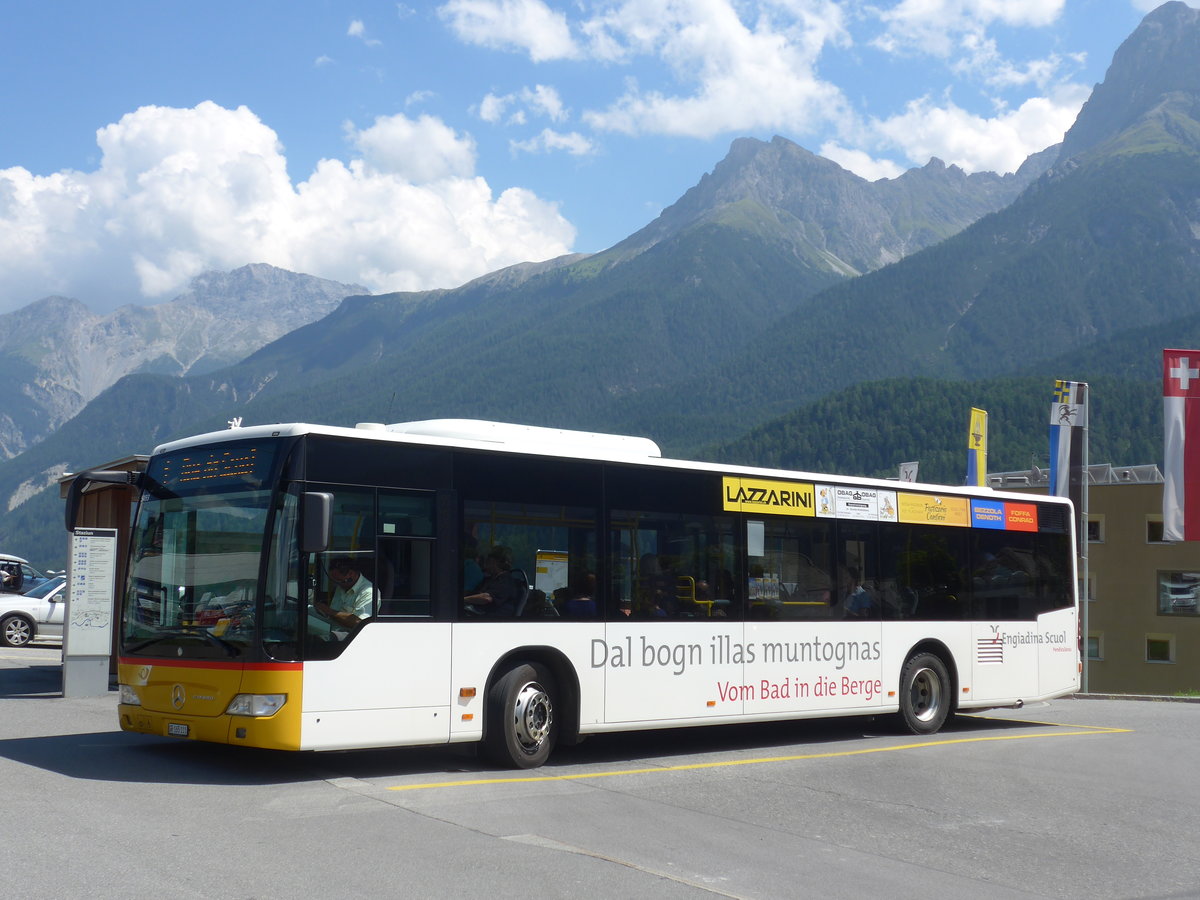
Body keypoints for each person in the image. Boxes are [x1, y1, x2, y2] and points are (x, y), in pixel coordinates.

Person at [313, 558, 374, 628]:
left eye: (339, 581)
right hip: (333, 628)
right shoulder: (343, 585)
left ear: (351, 574)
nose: (337, 584)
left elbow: (359, 623)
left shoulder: (368, 592)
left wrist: (329, 611)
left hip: (350, 634)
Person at [464, 545, 523, 616]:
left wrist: (463, 599)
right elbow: (475, 593)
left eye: (489, 561)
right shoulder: (490, 579)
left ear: (496, 562)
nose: (486, 565)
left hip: (494, 621)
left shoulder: (506, 582)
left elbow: (486, 598)